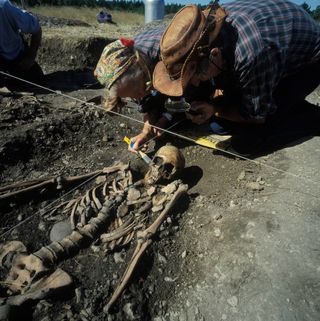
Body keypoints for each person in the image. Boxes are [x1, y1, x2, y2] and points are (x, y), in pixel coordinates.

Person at [153, 0, 320, 133]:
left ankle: (311, 118)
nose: (196, 83)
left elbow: (257, 117)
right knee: (220, 125)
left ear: (215, 54)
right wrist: (218, 106)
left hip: (309, 61)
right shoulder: (210, 32)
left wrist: (214, 109)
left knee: (254, 137)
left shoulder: (250, 55)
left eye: (198, 76)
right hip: (274, 49)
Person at [94, 26, 173, 151]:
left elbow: (185, 90)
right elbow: (146, 104)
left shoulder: (168, 54)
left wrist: (165, 119)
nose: (139, 96)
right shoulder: (134, 80)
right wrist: (145, 132)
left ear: (139, 67)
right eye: (132, 96)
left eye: (137, 90)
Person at [0, 0, 43, 86]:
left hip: (14, 57)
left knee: (35, 78)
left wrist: (31, 57)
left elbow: (37, 29)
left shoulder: (5, 8)